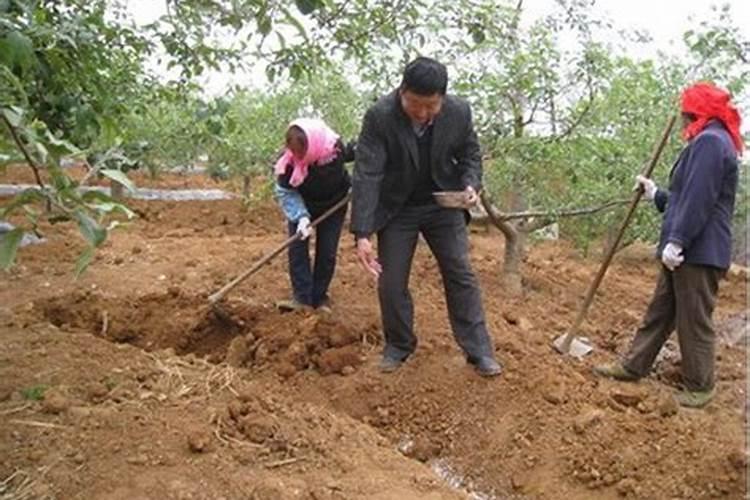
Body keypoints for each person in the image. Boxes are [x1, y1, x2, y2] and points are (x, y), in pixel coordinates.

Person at [594, 82, 743, 408]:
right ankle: (634, 366)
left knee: (693, 319)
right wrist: (656, 194)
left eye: (685, 112)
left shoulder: (710, 142)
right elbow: (684, 197)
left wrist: (678, 241)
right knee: (660, 312)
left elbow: (699, 200)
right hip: (687, 250)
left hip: (697, 252)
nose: (682, 119)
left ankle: (700, 387)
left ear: (696, 111)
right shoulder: (710, 141)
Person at [350, 56, 502, 377]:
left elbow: (470, 155)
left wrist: (470, 184)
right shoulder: (380, 117)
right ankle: (399, 345)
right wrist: (362, 233)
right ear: (402, 91)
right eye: (414, 104)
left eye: (430, 106)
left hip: (443, 205)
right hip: (397, 207)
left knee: (460, 273)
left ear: (442, 99)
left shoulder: (459, 112)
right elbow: (367, 174)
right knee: (390, 282)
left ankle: (479, 351)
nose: (422, 113)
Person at [273, 118, 354, 312]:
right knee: (297, 250)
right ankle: (302, 299)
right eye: (294, 151)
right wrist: (301, 217)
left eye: (302, 152)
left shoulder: (335, 149)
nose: (298, 156)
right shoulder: (288, 162)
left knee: (327, 252)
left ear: (313, 144)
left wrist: (357, 185)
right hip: (302, 205)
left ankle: (319, 298)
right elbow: (285, 191)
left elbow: (364, 156)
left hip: (334, 204)